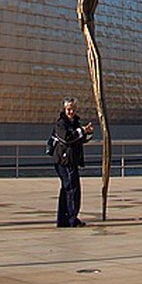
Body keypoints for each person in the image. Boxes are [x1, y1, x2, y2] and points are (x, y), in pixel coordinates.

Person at [53, 97, 93, 227]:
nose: (71, 112)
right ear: (64, 109)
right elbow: (67, 139)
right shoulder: (61, 124)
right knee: (71, 189)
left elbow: (78, 139)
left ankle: (63, 219)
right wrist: (81, 131)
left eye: (73, 109)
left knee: (67, 189)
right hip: (64, 161)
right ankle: (71, 219)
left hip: (72, 160)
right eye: (69, 109)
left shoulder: (75, 122)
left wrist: (86, 133)